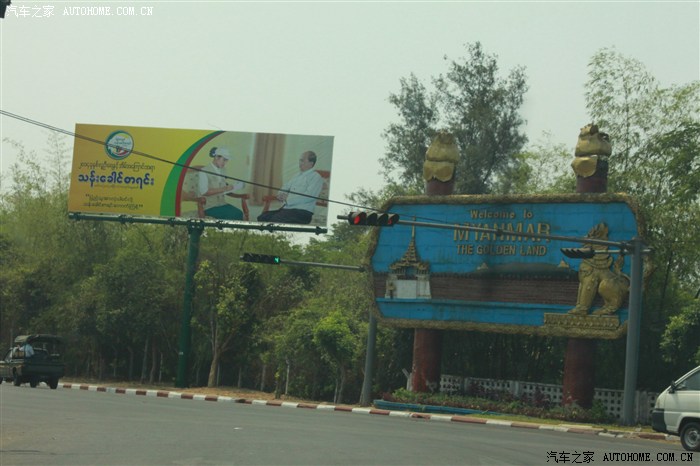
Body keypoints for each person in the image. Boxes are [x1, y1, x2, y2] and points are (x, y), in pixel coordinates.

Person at [257, 151, 324, 224]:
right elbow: (285, 187)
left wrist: (287, 198)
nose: (300, 163)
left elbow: (308, 197)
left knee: (273, 221)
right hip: (287, 210)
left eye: (302, 161)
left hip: (302, 213)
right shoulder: (297, 176)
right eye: (300, 160)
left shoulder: (316, 177)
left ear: (311, 163)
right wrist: (280, 194)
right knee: (262, 217)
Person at [197, 147, 246, 220]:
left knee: (239, 213)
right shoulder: (204, 171)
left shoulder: (223, 170)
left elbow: (222, 187)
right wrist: (224, 188)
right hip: (209, 206)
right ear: (216, 157)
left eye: (227, 160)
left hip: (222, 204)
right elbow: (204, 192)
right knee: (233, 215)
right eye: (224, 160)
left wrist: (234, 187)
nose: (225, 163)